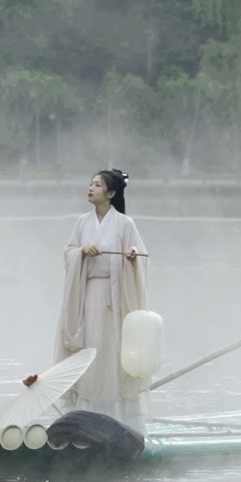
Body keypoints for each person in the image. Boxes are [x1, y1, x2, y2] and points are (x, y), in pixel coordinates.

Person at [48, 168, 152, 430]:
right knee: (87, 350)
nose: (91, 188)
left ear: (112, 193)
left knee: (112, 353)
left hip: (115, 298)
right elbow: (68, 252)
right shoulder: (82, 222)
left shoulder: (125, 224)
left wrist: (131, 259)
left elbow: (140, 258)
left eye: (97, 185)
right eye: (90, 183)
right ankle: (83, 415)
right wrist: (82, 252)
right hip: (87, 295)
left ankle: (118, 416)